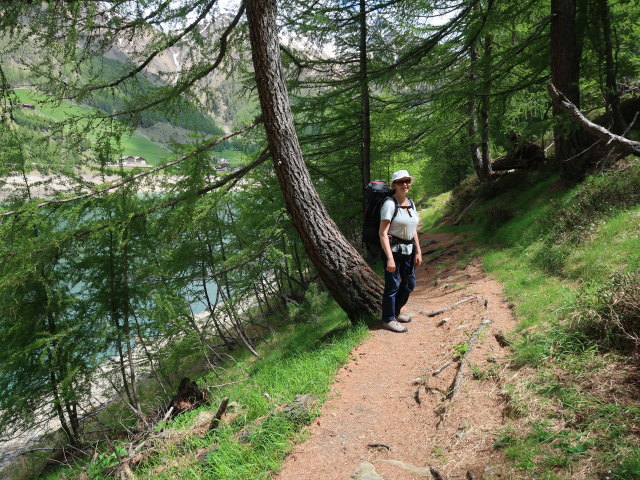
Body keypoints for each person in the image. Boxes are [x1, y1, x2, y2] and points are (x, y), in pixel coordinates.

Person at [378, 170, 422, 333]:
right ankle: (388, 319)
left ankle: (395, 312)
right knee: (393, 285)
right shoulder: (389, 204)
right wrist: (389, 258)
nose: (405, 184)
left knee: (409, 283)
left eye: (407, 181)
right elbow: (382, 233)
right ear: (394, 185)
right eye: (401, 182)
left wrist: (418, 251)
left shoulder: (410, 202)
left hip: (409, 250)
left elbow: (414, 230)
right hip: (393, 251)